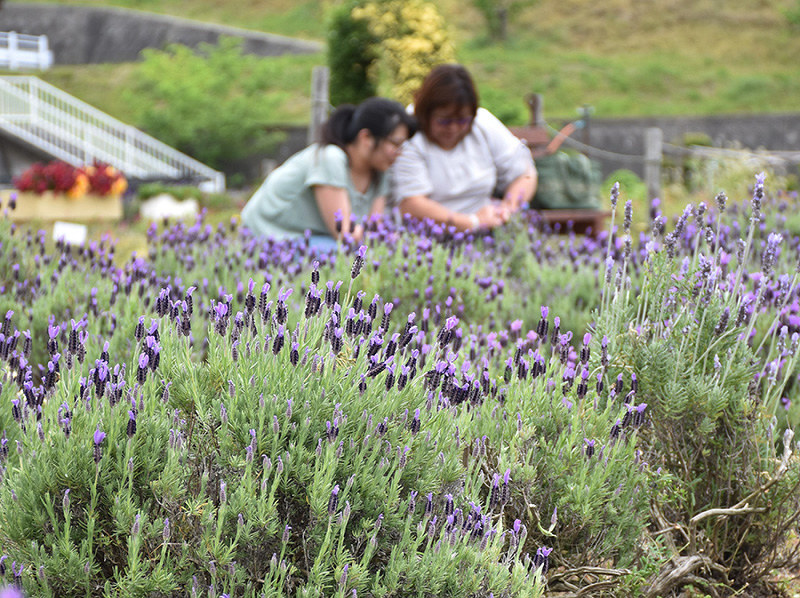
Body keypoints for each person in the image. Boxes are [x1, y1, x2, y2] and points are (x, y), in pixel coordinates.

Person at [241, 97, 417, 247]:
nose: (398, 153)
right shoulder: (330, 158)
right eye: (395, 143)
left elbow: (373, 231)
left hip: (315, 241)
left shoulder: (381, 172)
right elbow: (345, 235)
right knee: (345, 257)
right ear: (366, 138)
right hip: (268, 238)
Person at [391, 64, 537, 232]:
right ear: (425, 113)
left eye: (462, 121)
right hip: (426, 238)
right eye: (444, 121)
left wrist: (508, 209)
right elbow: (411, 205)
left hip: (487, 231)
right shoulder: (409, 135)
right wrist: (473, 222)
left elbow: (525, 174)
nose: (453, 129)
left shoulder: (482, 123)